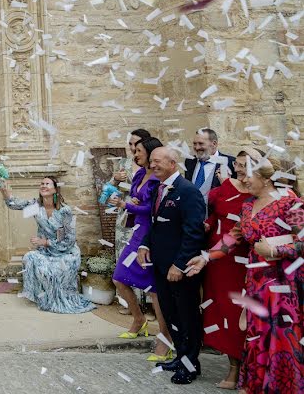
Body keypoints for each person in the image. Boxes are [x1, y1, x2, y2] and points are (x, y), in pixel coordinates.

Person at [187, 157, 304, 394]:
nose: (242, 179)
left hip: (284, 281)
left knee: (281, 333)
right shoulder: (248, 206)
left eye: (248, 175)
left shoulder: (289, 201)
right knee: (257, 331)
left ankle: (284, 386)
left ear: (265, 177)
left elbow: (302, 241)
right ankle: (257, 385)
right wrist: (206, 257)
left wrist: (274, 250)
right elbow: (233, 238)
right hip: (256, 279)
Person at [136, 147, 206, 385]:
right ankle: (180, 355)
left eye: (157, 162)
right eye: (152, 162)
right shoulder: (159, 187)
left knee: (187, 317)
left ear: (172, 163)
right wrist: (144, 245)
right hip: (160, 265)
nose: (152, 165)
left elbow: (193, 233)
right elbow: (155, 224)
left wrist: (179, 264)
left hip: (180, 267)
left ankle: (190, 365)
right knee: (170, 314)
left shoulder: (188, 192)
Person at [197, 148, 259, 389]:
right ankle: (233, 367)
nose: (239, 169)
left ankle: (253, 368)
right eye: (238, 164)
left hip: (248, 262)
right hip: (221, 260)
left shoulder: (258, 195)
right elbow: (216, 215)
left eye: (245, 164)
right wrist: (206, 226)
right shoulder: (224, 188)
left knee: (244, 315)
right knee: (223, 311)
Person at [109, 137, 173, 361]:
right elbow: (137, 199)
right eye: (134, 151)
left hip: (151, 234)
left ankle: (165, 337)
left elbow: (154, 208)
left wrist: (127, 205)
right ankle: (139, 319)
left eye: (138, 151)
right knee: (119, 278)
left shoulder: (157, 179)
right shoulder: (138, 174)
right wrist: (129, 202)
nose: (134, 154)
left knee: (153, 289)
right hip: (136, 232)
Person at [0, 176, 95, 314]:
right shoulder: (36, 207)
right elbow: (15, 204)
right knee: (29, 257)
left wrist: (46, 242)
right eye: (42, 183)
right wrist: (4, 191)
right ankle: (43, 297)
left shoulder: (64, 211)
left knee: (54, 271)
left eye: (47, 184)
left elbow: (69, 238)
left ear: (55, 189)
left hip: (66, 252)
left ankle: (57, 298)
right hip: (46, 252)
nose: (43, 186)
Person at [185, 128, 236, 199]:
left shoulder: (229, 163)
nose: (197, 147)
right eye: (194, 144)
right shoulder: (190, 161)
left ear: (214, 144)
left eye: (201, 143)